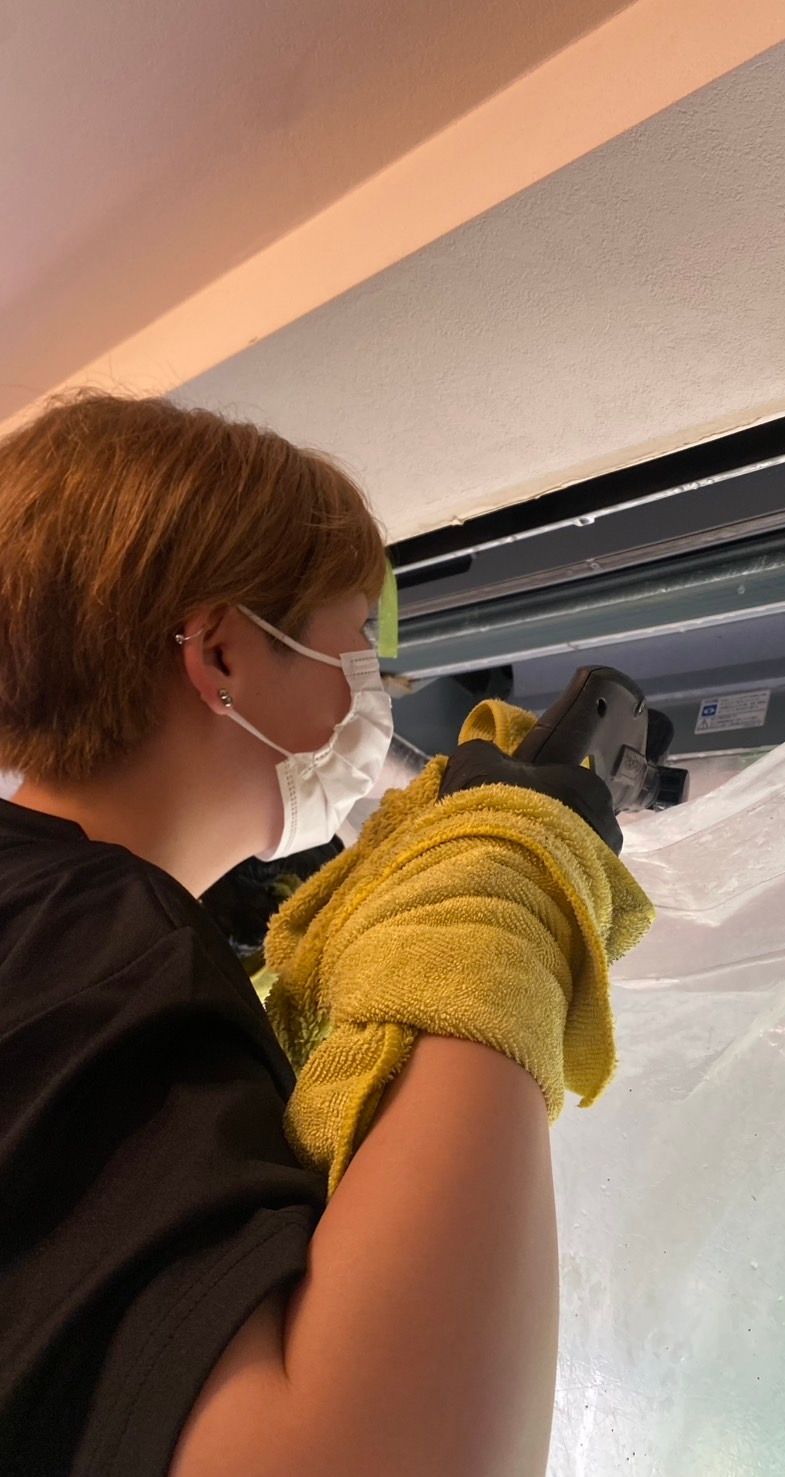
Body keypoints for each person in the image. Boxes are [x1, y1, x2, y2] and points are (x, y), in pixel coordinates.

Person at [0, 393, 624, 1476]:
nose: (376, 690)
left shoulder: (43, 915)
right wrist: (496, 890)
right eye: (359, 642)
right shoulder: (100, 937)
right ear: (223, 656)